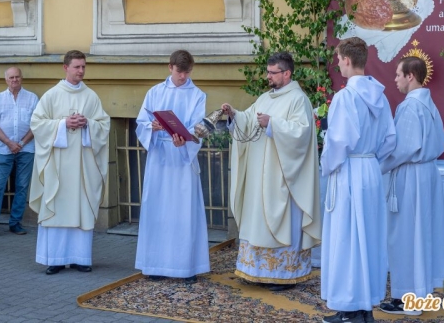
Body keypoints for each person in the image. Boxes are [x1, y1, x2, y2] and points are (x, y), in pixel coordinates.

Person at [221, 52, 321, 291]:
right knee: (259, 219)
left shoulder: (298, 99)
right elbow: (249, 120)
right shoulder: (265, 98)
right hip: (260, 176)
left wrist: (273, 124)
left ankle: (283, 274)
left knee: (283, 222)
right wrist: (234, 114)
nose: (268, 76)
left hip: (283, 177)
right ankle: (258, 271)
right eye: (267, 72)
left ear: (286, 73)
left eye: (272, 72)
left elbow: (302, 133)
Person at [319, 38, 396, 323]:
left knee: (347, 238)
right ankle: (365, 306)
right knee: (369, 238)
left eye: (339, 59)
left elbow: (339, 143)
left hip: (349, 170)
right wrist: (373, 160)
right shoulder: (381, 97)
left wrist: (326, 164)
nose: (337, 63)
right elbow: (391, 140)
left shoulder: (345, 97)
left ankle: (350, 308)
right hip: (370, 170)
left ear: (348, 60)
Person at [379, 56, 444, 316]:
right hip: (427, 173)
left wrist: (376, 165)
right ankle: (420, 292)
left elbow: (402, 149)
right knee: (421, 234)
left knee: (405, 236)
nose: (395, 79)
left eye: (398, 74)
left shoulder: (410, 106)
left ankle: (406, 298)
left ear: (410, 76)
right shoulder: (429, 104)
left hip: (411, 176)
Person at [29, 50, 110, 275]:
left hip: (83, 167)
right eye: (77, 67)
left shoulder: (91, 96)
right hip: (58, 166)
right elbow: (36, 123)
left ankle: (80, 258)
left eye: (83, 66)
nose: (81, 71)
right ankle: (54, 259)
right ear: (66, 68)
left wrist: (88, 124)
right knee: (57, 207)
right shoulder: (52, 95)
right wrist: (63, 124)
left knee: (81, 209)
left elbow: (104, 125)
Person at [134, 50, 209, 284]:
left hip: (183, 159)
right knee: (158, 210)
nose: (183, 77)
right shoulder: (155, 92)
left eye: (187, 72)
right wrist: (153, 127)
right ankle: (156, 264)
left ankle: (187, 267)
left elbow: (199, 128)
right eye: (179, 72)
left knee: (184, 212)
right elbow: (141, 123)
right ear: (170, 67)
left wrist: (185, 141)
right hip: (159, 157)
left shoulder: (197, 95)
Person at [0, 67, 39, 239]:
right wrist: (10, 143)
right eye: (11, 77)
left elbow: (36, 125)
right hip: (4, 150)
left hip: (26, 149)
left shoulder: (32, 98)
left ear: (22, 78)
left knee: (22, 187)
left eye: (17, 77)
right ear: (6, 79)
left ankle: (15, 223)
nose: (14, 80)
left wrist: (21, 143)